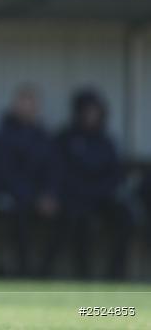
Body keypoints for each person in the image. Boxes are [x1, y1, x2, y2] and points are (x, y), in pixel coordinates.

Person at [43, 88, 133, 279]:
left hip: (100, 199)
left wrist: (100, 192)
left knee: (125, 218)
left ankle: (116, 276)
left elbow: (115, 175)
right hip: (72, 199)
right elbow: (57, 172)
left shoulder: (105, 141)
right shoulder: (65, 139)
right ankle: (81, 276)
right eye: (87, 111)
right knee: (78, 220)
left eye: (95, 111)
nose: (91, 115)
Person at [0, 85, 59, 276]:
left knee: (68, 215)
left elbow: (53, 171)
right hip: (13, 198)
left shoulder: (43, 137)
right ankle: (23, 272)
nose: (27, 109)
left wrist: (49, 195)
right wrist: (34, 198)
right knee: (18, 214)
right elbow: (3, 175)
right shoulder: (3, 137)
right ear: (15, 107)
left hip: (39, 199)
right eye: (23, 105)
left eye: (31, 105)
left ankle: (45, 272)